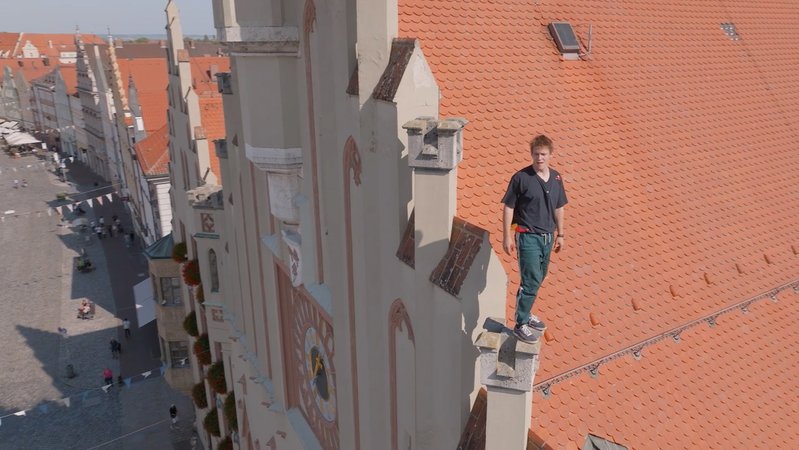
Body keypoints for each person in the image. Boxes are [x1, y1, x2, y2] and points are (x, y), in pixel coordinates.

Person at [501, 134, 568, 343]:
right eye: (536, 154)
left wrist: (561, 234)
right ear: (531, 154)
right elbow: (508, 207)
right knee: (530, 281)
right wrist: (507, 237)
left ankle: (527, 313)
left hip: (548, 237)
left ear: (551, 155)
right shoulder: (521, 178)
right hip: (527, 236)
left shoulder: (556, 178)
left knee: (538, 278)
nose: (540, 158)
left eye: (544, 154)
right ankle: (520, 323)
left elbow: (559, 207)